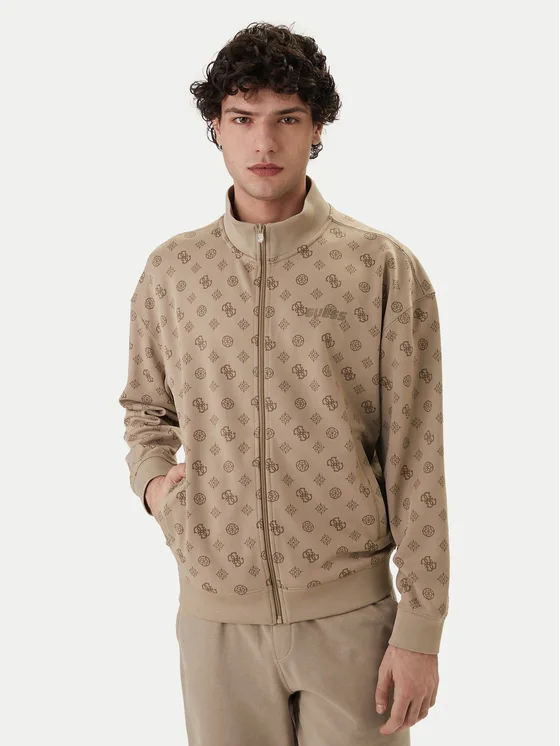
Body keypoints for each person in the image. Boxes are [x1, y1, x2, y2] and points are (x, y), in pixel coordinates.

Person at [118, 21, 450, 746]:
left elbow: (417, 454)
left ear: (318, 127)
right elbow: (145, 407)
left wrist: (421, 626)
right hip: (216, 623)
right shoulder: (173, 271)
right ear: (216, 127)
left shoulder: (381, 267)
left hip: (353, 621)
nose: (263, 142)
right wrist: (156, 488)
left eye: (286, 119)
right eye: (243, 119)